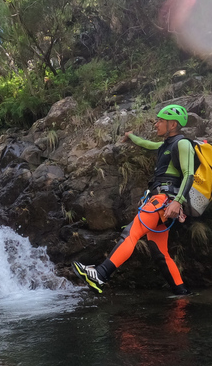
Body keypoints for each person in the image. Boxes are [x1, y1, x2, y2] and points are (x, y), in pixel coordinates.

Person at [72, 104, 196, 295]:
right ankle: (182, 295)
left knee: (131, 233)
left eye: (160, 120)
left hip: (165, 200)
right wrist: (131, 136)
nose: (156, 124)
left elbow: (189, 174)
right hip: (161, 201)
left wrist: (177, 201)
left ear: (173, 124)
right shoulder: (165, 145)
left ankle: (101, 274)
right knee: (160, 253)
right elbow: (148, 144)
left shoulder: (183, 144)